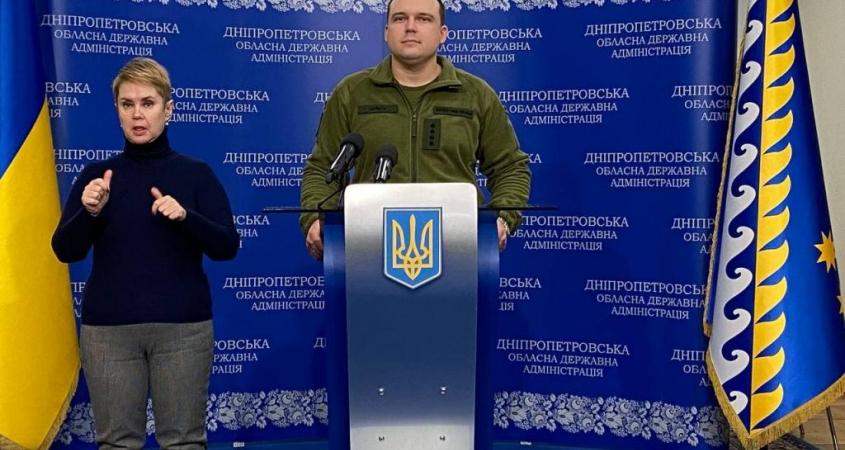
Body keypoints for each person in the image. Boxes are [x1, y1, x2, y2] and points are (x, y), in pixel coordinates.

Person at [51, 57, 239, 450]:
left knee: (184, 442)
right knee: (118, 443)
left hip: (183, 331)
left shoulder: (195, 174)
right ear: (117, 110)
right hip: (109, 333)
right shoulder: (96, 177)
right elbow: (65, 250)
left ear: (168, 109)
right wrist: (89, 212)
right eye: (127, 104)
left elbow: (226, 246)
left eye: (148, 103)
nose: (138, 114)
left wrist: (186, 217)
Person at [299, 0, 531, 259]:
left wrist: (503, 219)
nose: (410, 27)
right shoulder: (352, 93)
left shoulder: (476, 95)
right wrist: (315, 217)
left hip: (458, 246)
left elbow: (510, 168)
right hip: (368, 246)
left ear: (442, 33)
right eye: (400, 18)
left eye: (423, 18)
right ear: (386, 31)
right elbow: (323, 168)